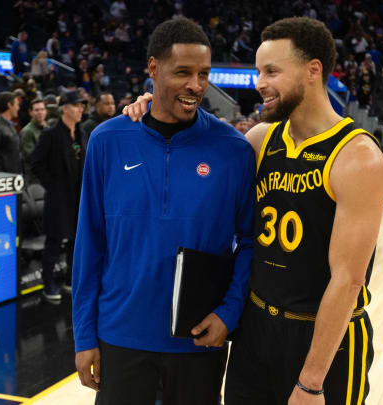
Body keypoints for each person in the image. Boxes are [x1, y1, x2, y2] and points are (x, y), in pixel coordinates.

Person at [125, 16, 383, 405]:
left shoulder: (357, 157)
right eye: (258, 70)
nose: (259, 82)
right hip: (256, 328)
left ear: (313, 71)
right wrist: (155, 105)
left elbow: (348, 280)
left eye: (271, 71)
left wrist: (312, 381)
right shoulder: (261, 139)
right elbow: (197, 144)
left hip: (323, 337)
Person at [72, 18, 255, 405]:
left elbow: (251, 242)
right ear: (153, 69)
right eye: (183, 73)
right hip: (120, 337)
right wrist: (84, 335)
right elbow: (90, 243)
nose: (196, 86)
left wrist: (229, 312)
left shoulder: (234, 149)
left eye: (204, 74)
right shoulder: (107, 141)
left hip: (198, 340)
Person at [30, 92, 86, 301]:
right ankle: (48, 284)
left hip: (78, 197)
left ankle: (70, 280)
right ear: (64, 108)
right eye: (76, 106)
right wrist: (52, 185)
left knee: (75, 242)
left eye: (81, 106)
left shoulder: (81, 133)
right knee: (53, 242)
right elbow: (36, 162)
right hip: (58, 197)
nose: (80, 109)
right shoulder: (51, 134)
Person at [20, 98, 47, 185]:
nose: (40, 112)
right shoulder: (27, 131)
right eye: (37, 110)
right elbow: (31, 156)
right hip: (34, 178)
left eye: (42, 109)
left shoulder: (49, 128)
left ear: (46, 111)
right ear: (30, 112)